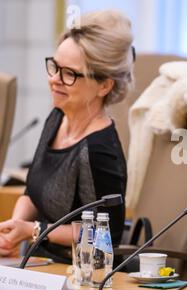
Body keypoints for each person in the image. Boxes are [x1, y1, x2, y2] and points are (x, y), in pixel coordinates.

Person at [0, 10, 133, 264]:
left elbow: (103, 234)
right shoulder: (58, 116)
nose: (54, 80)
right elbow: (33, 192)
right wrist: (13, 229)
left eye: (69, 74)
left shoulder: (100, 150)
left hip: (81, 272)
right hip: (39, 263)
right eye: (54, 67)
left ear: (104, 85)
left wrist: (32, 231)